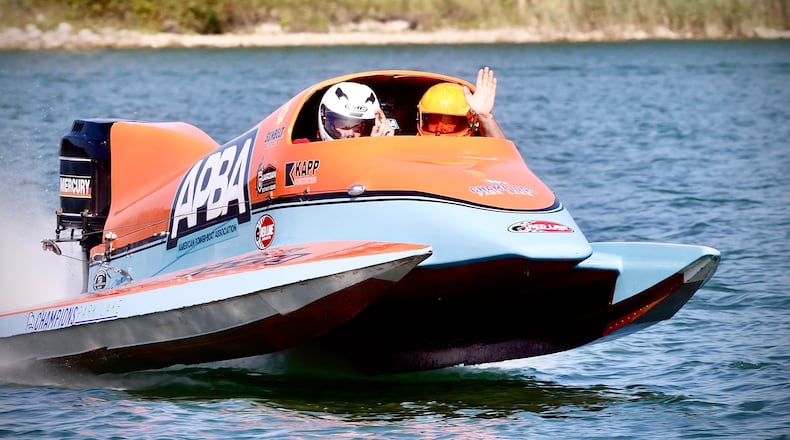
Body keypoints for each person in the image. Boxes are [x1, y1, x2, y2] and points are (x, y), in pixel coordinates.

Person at [417, 67, 505, 139]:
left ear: (470, 123)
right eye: (433, 120)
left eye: (448, 122)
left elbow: (503, 154)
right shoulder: (414, 145)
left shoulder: (476, 149)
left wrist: (485, 117)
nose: (439, 130)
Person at [317, 81, 394, 140]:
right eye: (343, 126)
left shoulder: (374, 147)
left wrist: (383, 145)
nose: (350, 133)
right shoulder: (307, 148)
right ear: (326, 121)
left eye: (358, 128)